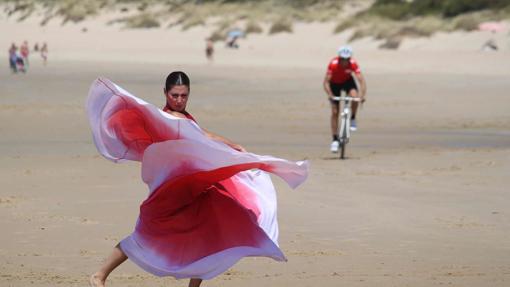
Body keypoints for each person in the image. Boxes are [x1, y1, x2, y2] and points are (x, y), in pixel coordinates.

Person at [87, 72, 308, 287]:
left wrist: (231, 145)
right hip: (169, 193)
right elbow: (197, 137)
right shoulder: (167, 118)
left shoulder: (183, 118)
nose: (179, 100)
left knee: (208, 230)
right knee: (145, 235)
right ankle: (99, 276)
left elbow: (202, 134)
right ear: (165, 93)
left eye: (184, 95)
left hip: (191, 190)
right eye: (174, 95)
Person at [323, 45, 367, 153]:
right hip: (334, 84)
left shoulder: (353, 63)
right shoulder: (333, 64)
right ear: (339, 58)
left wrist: (362, 95)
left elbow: (361, 81)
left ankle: (352, 118)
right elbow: (326, 82)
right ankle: (334, 139)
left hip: (347, 82)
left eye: (347, 59)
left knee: (354, 96)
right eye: (342, 59)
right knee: (335, 111)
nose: (344, 61)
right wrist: (330, 94)